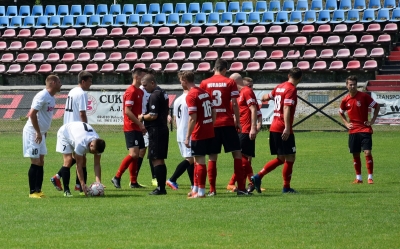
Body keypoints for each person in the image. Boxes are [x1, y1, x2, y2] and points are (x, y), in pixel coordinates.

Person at [199, 59, 250, 196]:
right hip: (227, 122)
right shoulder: (230, 82)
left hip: (212, 124)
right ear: (225, 70)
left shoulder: (205, 83)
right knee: (237, 153)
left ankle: (212, 190)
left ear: (214, 68)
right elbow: (234, 103)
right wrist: (238, 122)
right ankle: (240, 188)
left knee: (212, 156)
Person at [251, 67, 303, 194]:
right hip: (282, 127)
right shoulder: (291, 89)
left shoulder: (279, 87)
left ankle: (258, 176)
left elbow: (265, 97)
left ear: (288, 74)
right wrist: (287, 127)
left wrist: (262, 98)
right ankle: (286, 187)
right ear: (300, 78)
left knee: (281, 158)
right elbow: (286, 107)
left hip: (274, 126)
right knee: (290, 157)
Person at [51, 71, 93, 194]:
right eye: (90, 81)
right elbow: (82, 113)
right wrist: (86, 128)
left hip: (67, 127)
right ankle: (69, 186)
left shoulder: (73, 91)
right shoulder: (82, 93)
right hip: (76, 130)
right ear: (83, 81)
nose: (91, 84)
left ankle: (76, 185)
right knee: (75, 159)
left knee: (79, 158)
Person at [23, 75, 62, 198]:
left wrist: (43, 132)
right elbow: (32, 114)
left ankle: (38, 190)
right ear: (53, 83)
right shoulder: (42, 96)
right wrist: (38, 132)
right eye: (59, 82)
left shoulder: (51, 98)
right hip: (33, 133)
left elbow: (44, 117)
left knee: (41, 161)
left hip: (41, 133)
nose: (61, 84)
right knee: (35, 161)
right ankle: (32, 192)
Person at [339, 75, 380, 184]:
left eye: (354, 84)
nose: (352, 86)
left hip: (365, 129)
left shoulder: (363, 96)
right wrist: (346, 123)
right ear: (347, 86)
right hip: (353, 131)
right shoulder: (345, 100)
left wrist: (372, 121)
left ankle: (370, 177)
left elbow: (376, 106)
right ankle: (359, 178)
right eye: (350, 84)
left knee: (367, 152)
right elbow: (341, 112)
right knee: (355, 154)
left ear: (357, 85)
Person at [111, 68, 147, 189]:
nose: (145, 79)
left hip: (136, 126)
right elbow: (127, 111)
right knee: (133, 154)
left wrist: (141, 124)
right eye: (143, 76)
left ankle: (133, 181)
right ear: (137, 77)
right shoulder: (131, 91)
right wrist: (140, 124)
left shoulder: (140, 92)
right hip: (130, 127)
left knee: (137, 154)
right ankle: (117, 176)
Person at [226, 75, 262, 193]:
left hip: (246, 129)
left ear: (234, 81)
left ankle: (251, 182)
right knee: (243, 158)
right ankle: (245, 183)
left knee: (242, 157)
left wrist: (253, 127)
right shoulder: (238, 94)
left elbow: (253, 109)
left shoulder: (247, 91)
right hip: (240, 129)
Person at [183, 71, 216, 198]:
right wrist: (210, 124)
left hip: (199, 131)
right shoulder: (204, 92)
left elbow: (193, 118)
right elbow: (214, 111)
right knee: (197, 161)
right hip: (208, 130)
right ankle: (195, 189)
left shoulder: (191, 95)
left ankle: (201, 192)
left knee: (199, 160)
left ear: (184, 80)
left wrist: (187, 136)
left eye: (181, 81)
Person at [138, 74, 170, 195]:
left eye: (145, 85)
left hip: (156, 130)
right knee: (160, 159)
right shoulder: (162, 92)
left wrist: (142, 117)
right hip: (162, 128)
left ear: (152, 83)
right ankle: (161, 187)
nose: (144, 88)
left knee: (156, 159)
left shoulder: (155, 95)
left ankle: (160, 188)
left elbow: (153, 115)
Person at [56, 121, 106, 196]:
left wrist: (98, 183)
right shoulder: (81, 144)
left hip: (77, 132)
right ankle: (66, 191)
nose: (94, 154)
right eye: (94, 152)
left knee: (83, 160)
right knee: (68, 160)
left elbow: (97, 164)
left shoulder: (98, 144)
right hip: (65, 133)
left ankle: (81, 189)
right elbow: (78, 166)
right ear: (91, 145)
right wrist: (83, 183)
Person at [166, 72, 195, 191]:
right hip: (188, 133)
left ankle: (194, 185)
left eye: (181, 80)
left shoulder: (178, 99)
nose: (180, 82)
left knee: (191, 159)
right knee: (191, 159)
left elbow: (175, 120)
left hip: (181, 133)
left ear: (184, 81)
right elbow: (192, 117)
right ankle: (172, 179)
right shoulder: (190, 98)